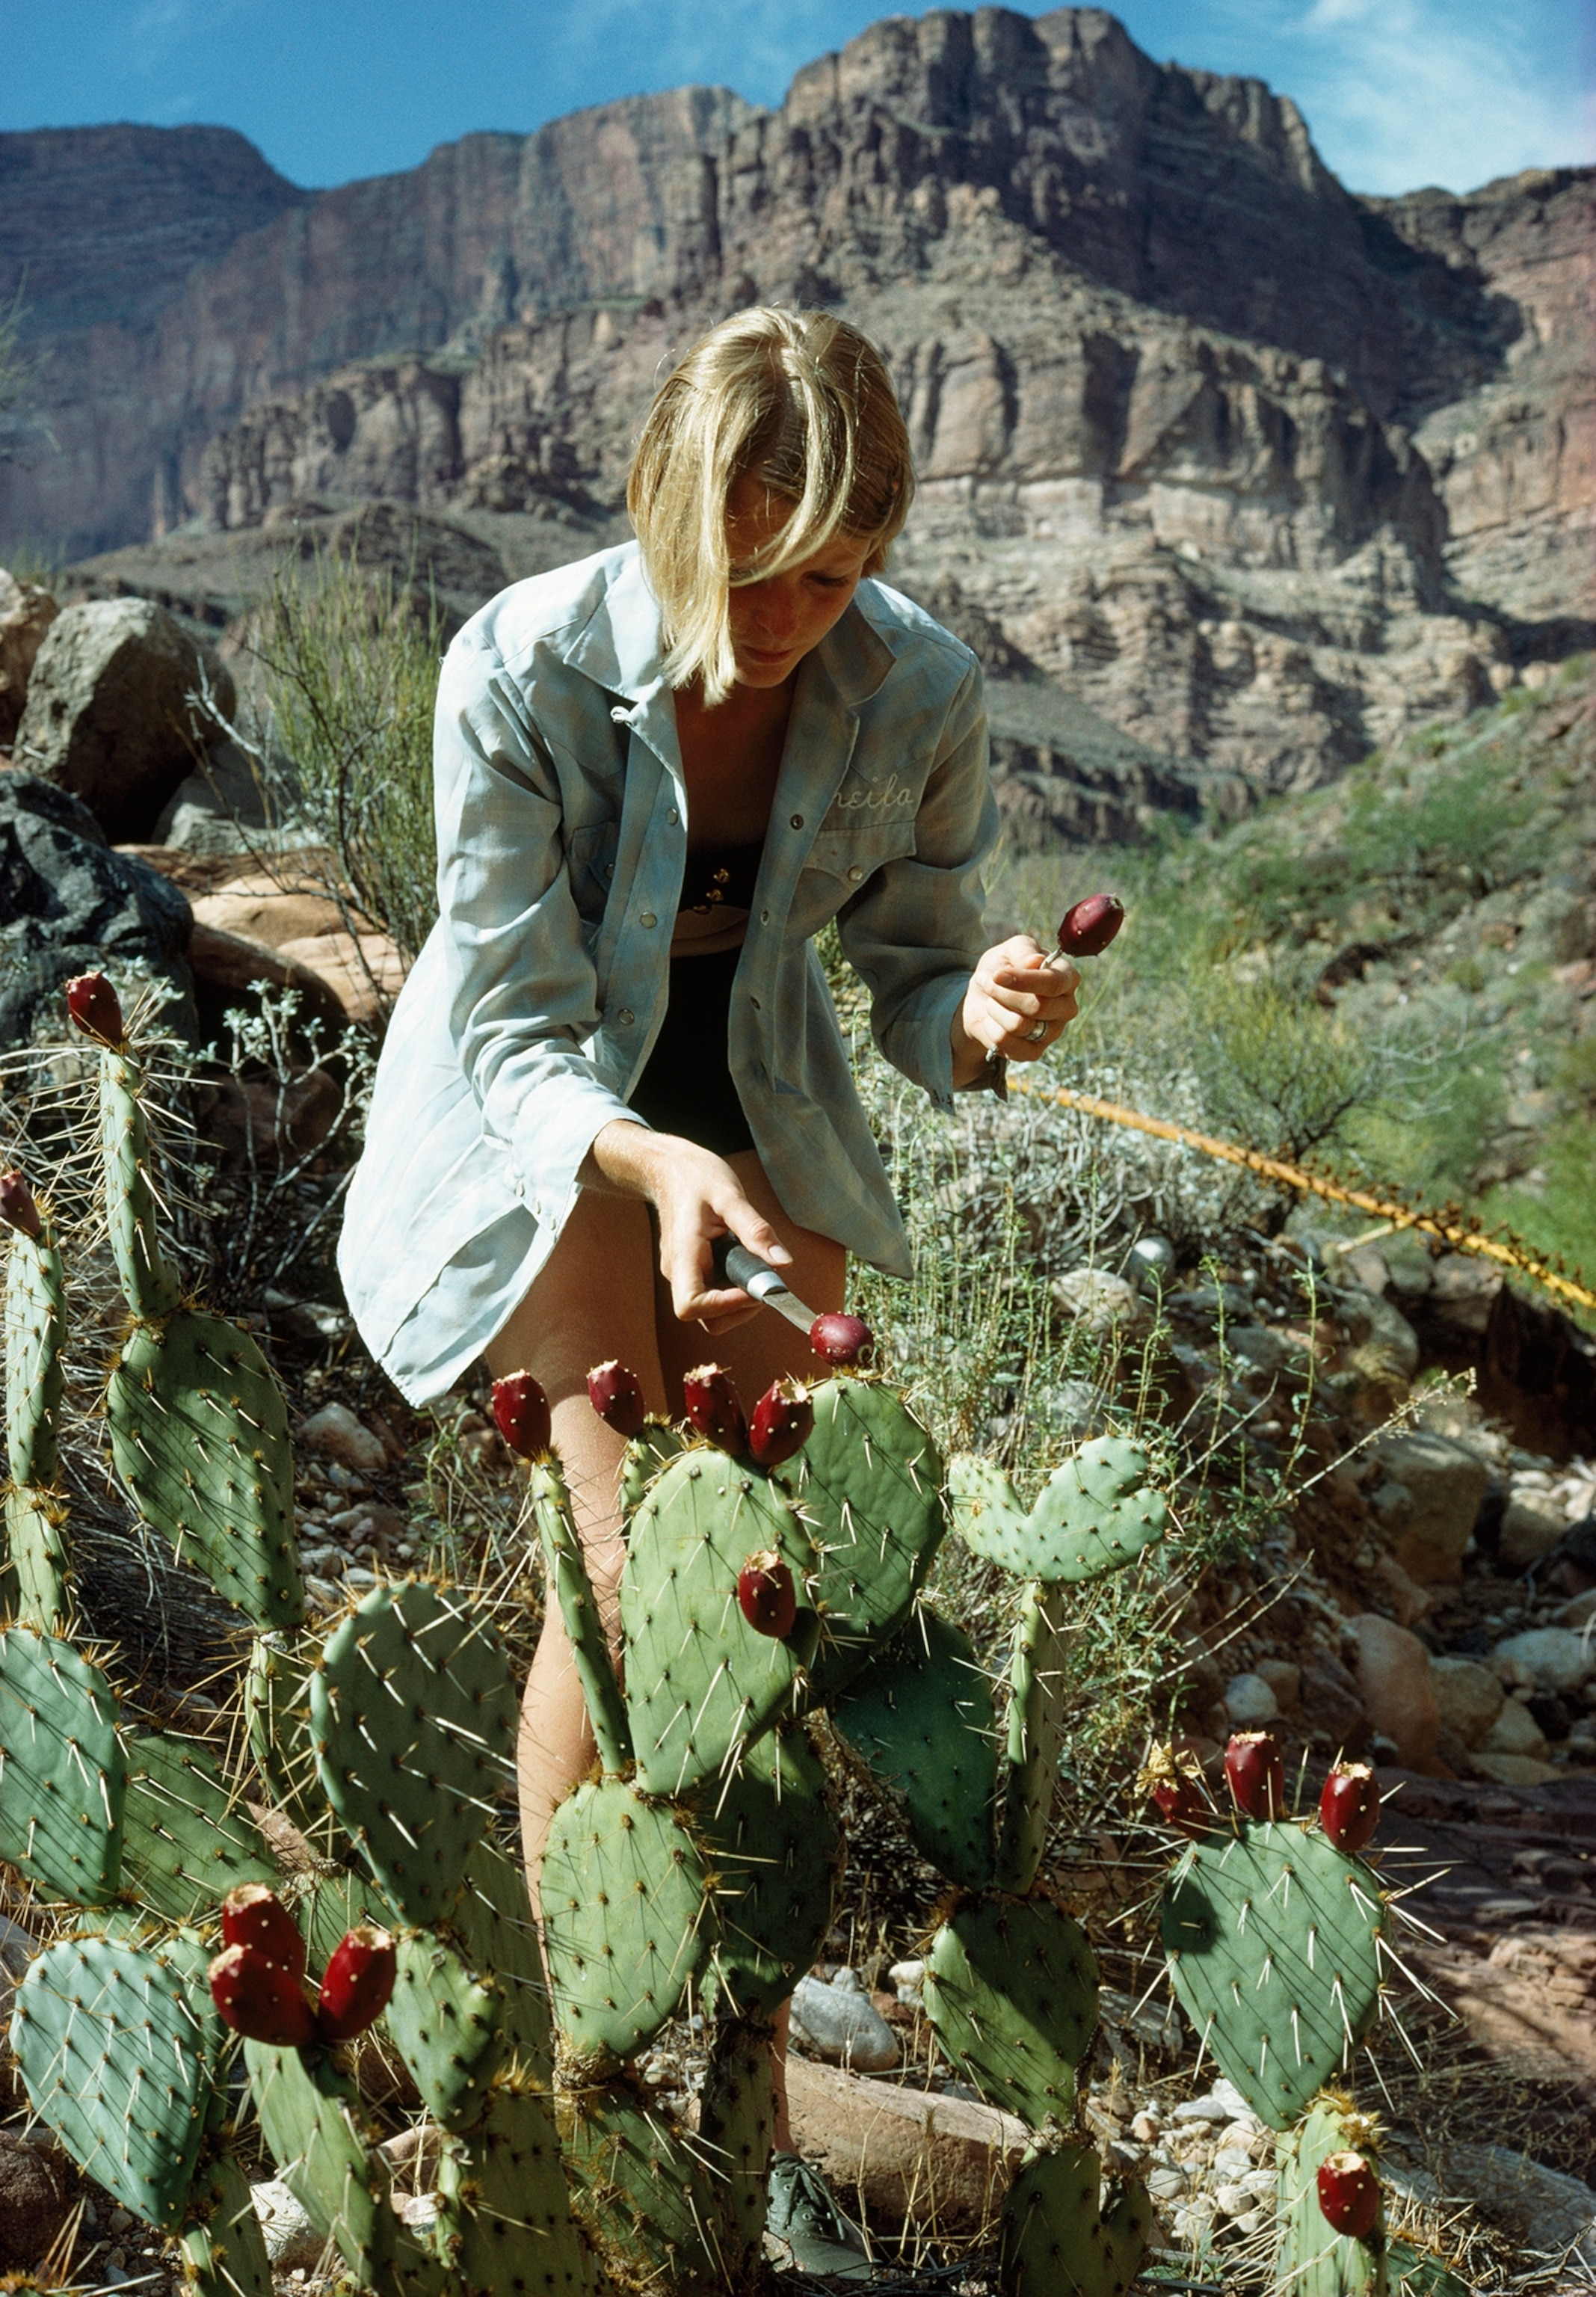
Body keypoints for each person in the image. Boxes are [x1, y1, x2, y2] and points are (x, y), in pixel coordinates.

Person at [339, 305, 1079, 2275]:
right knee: (615, 1543)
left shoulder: (914, 685)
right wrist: (644, 1157)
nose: (786, 619)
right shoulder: (520, 662)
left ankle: (734, 2076)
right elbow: (503, 1032)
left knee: (761, 1561)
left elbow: (917, 970)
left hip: (754, 1106)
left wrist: (982, 1012)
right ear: (664, 507)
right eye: (747, 572)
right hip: (546, 1127)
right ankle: (581, 2076)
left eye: (833, 575)